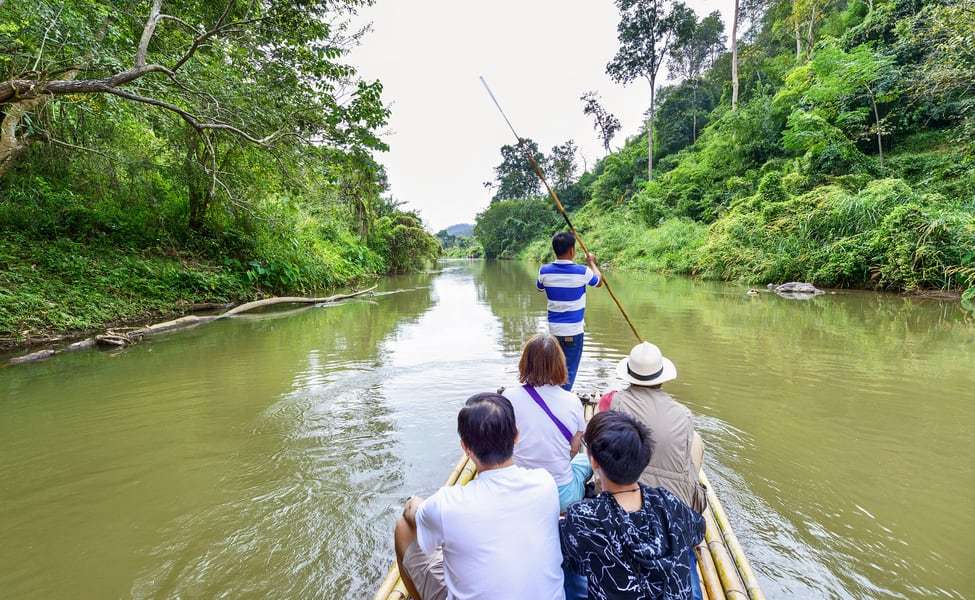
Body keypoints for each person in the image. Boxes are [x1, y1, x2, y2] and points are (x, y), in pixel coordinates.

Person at [393, 393, 565, 600]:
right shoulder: (545, 483)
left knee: (404, 527)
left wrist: (414, 503)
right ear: (516, 435)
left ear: (465, 447)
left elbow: (413, 513)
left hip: (433, 513)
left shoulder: (447, 504)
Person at [560, 411, 705, 600]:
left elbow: (568, 558)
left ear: (594, 461)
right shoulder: (668, 501)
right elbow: (699, 529)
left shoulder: (583, 518)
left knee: (566, 564)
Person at [598, 342, 706, 513]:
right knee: (696, 440)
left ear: (629, 375)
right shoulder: (684, 414)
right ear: (661, 377)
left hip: (623, 496)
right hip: (675, 504)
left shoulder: (613, 402)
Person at [503, 334, 591, 512]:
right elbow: (574, 449)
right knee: (586, 461)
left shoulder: (508, 397)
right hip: (561, 497)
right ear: (559, 364)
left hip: (520, 491)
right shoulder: (572, 401)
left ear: (525, 363)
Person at [536, 231, 603, 391]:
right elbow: (599, 281)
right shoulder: (583, 271)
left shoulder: (544, 271)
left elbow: (539, 287)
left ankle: (551, 400)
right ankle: (563, 402)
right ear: (572, 251)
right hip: (574, 332)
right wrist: (592, 262)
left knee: (554, 369)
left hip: (554, 331)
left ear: (554, 250)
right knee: (569, 372)